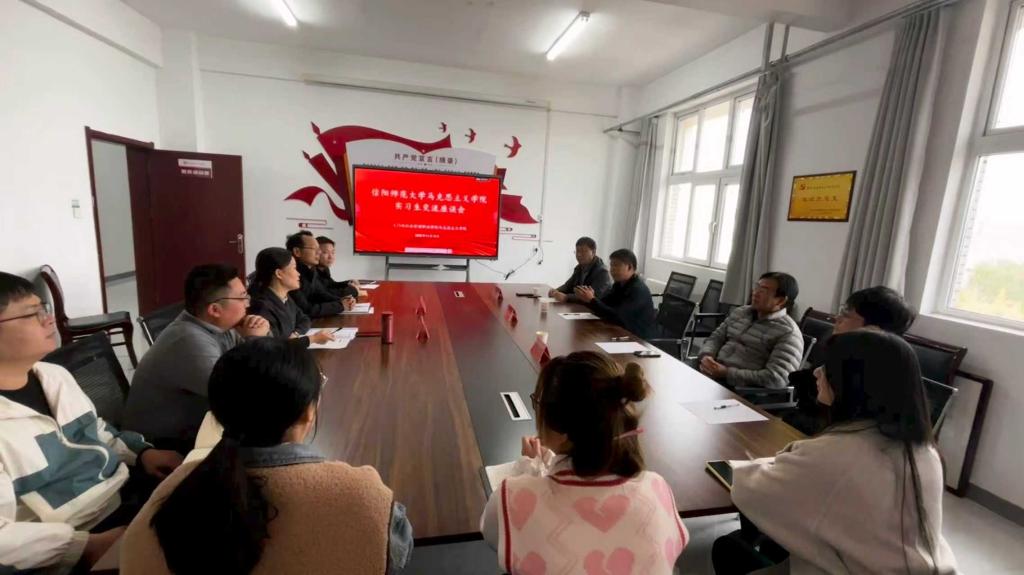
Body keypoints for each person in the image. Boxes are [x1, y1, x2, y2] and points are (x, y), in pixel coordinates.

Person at [121, 338, 413, 574]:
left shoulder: (173, 491)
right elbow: (397, 555)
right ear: (308, 412)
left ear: (218, 413)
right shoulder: (360, 492)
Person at [716, 331, 958, 574]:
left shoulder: (837, 453)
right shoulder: (927, 453)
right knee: (780, 544)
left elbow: (749, 492)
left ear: (852, 382)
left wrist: (768, 464)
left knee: (727, 548)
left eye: (827, 367)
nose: (816, 372)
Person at [0, 272, 183, 574]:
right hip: (72, 540)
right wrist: (82, 546)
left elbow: (96, 430)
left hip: (122, 494)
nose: (49, 320)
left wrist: (142, 453)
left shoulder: (54, 376)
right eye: (33, 314)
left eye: (44, 309)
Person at [480, 351, 688, 574]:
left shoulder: (513, 495)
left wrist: (529, 470)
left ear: (561, 429)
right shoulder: (657, 488)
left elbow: (493, 534)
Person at [124, 264, 270, 454]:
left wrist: (260, 336)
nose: (247, 304)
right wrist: (255, 340)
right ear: (215, 310)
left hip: (202, 425)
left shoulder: (221, 325)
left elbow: (258, 370)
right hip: (162, 447)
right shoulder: (189, 340)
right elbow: (240, 394)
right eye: (242, 297)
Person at [784, 286, 918, 435]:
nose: (837, 319)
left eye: (845, 315)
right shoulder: (836, 345)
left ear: (874, 328)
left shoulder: (876, 370)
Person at [697, 272, 803, 389]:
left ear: (781, 300)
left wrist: (727, 373)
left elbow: (777, 378)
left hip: (740, 390)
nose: (755, 293)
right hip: (711, 374)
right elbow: (716, 338)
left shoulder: (788, 333)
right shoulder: (740, 312)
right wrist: (707, 356)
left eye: (763, 290)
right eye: (757, 287)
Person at [247, 247, 335, 348]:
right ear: (279, 273)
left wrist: (295, 334)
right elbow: (275, 347)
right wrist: (312, 339)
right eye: (294, 268)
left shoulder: (285, 297)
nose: (298, 274)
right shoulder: (261, 307)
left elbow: (304, 319)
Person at [574, 249, 656, 339]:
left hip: (638, 338)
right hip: (620, 331)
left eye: (616, 265)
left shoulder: (637, 290)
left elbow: (618, 317)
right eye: (611, 265)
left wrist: (592, 300)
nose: (612, 269)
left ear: (629, 267)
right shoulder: (619, 285)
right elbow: (605, 305)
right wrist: (589, 299)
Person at [288, 231, 356, 318]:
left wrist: (344, 301)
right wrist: (340, 305)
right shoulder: (291, 275)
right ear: (297, 252)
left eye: (319, 249)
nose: (319, 253)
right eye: (314, 249)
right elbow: (306, 310)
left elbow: (321, 294)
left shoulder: (311, 270)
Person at [548, 237, 612, 303]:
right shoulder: (579, 268)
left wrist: (567, 297)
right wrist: (556, 291)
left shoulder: (602, 272)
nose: (579, 255)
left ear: (593, 252)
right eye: (577, 251)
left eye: (583, 251)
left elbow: (593, 297)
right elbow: (568, 286)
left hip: (597, 308)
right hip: (581, 307)